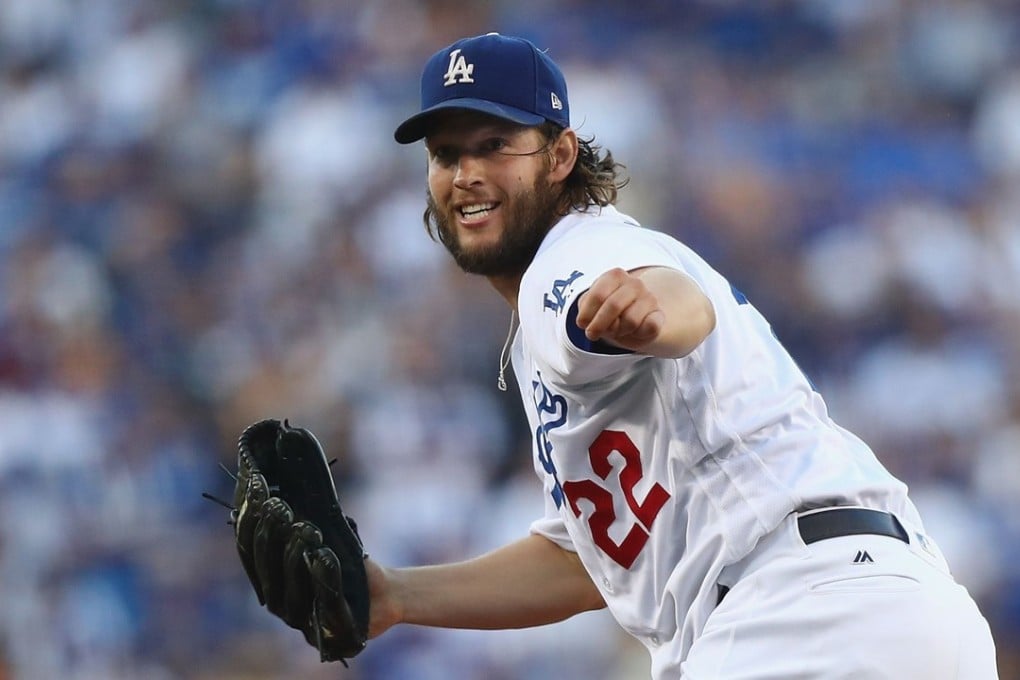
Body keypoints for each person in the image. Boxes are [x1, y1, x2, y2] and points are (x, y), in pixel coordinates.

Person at [364, 32, 1000, 677]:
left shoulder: (574, 258)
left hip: (799, 616)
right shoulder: (554, 312)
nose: (466, 172)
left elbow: (676, 303)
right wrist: (394, 596)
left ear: (559, 157)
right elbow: (585, 563)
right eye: (446, 154)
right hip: (902, 613)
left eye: (495, 145)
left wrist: (649, 312)